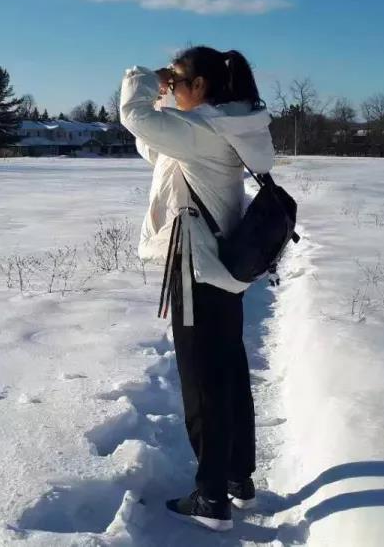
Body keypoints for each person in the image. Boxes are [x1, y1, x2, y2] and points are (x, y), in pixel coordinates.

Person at [117, 46, 275, 532]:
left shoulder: (204, 130)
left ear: (200, 86)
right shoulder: (221, 126)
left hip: (197, 270)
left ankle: (211, 498)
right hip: (220, 269)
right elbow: (152, 142)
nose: (170, 84)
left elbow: (132, 115)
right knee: (227, 372)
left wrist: (145, 78)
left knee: (203, 385)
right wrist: (165, 98)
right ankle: (235, 477)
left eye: (178, 78)